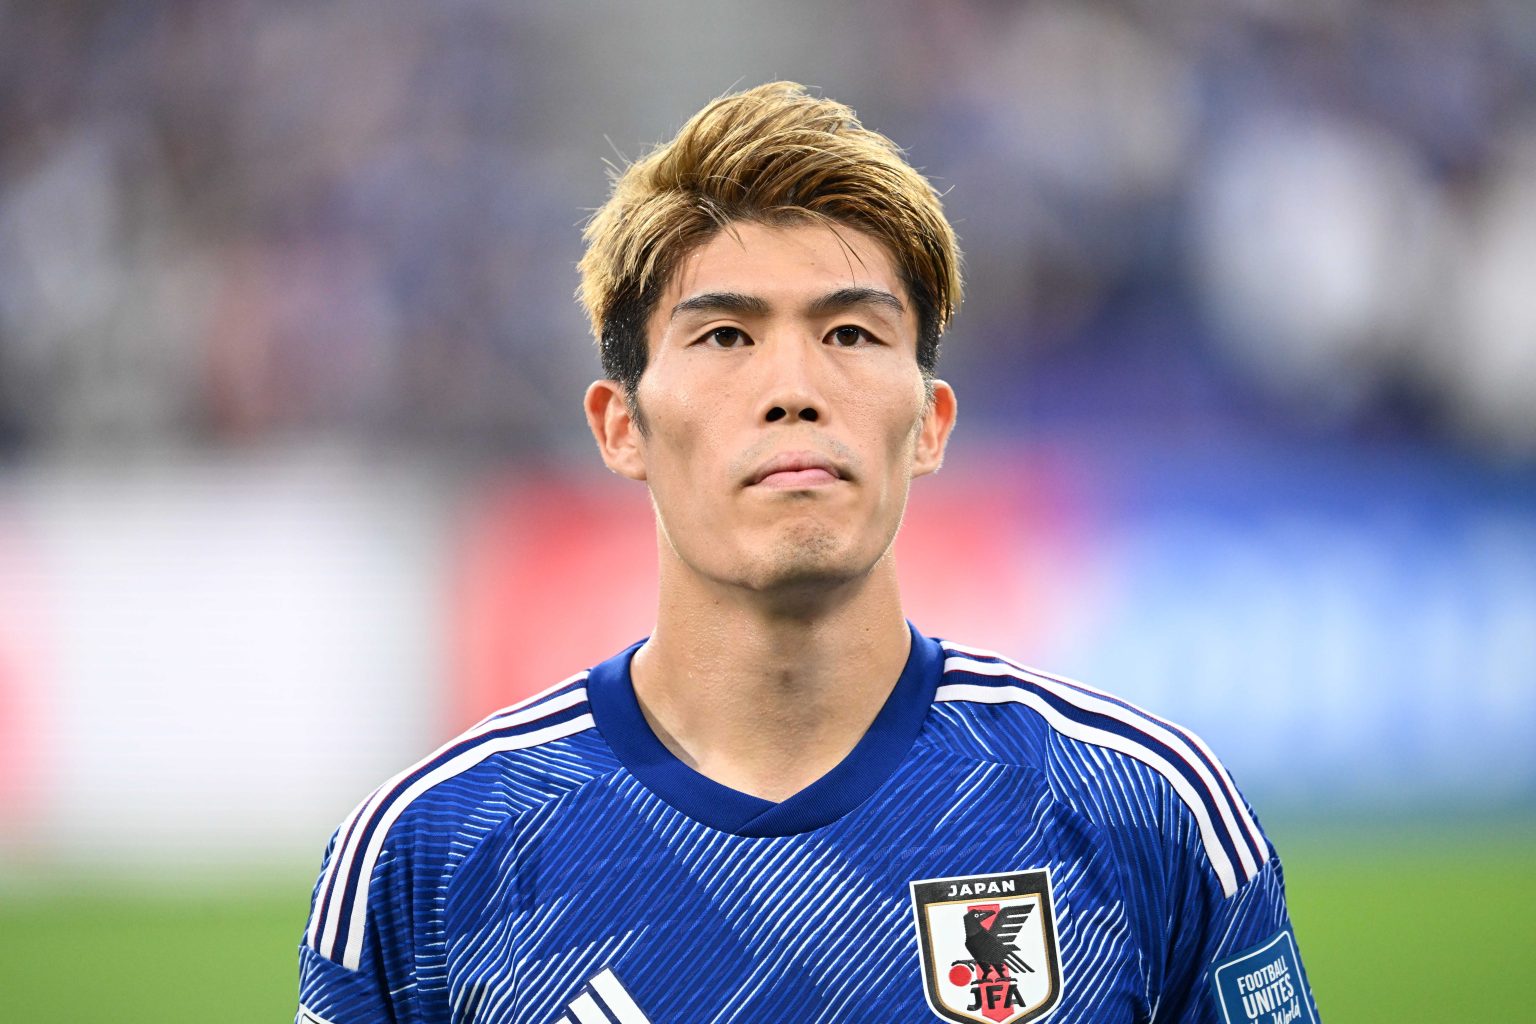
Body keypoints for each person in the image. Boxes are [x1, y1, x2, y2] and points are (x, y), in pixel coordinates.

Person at [296, 81, 1320, 1024]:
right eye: (725, 337)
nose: (793, 389)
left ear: (930, 424)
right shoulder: (427, 859)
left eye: (852, 335)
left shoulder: (1145, 816)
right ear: (620, 426)